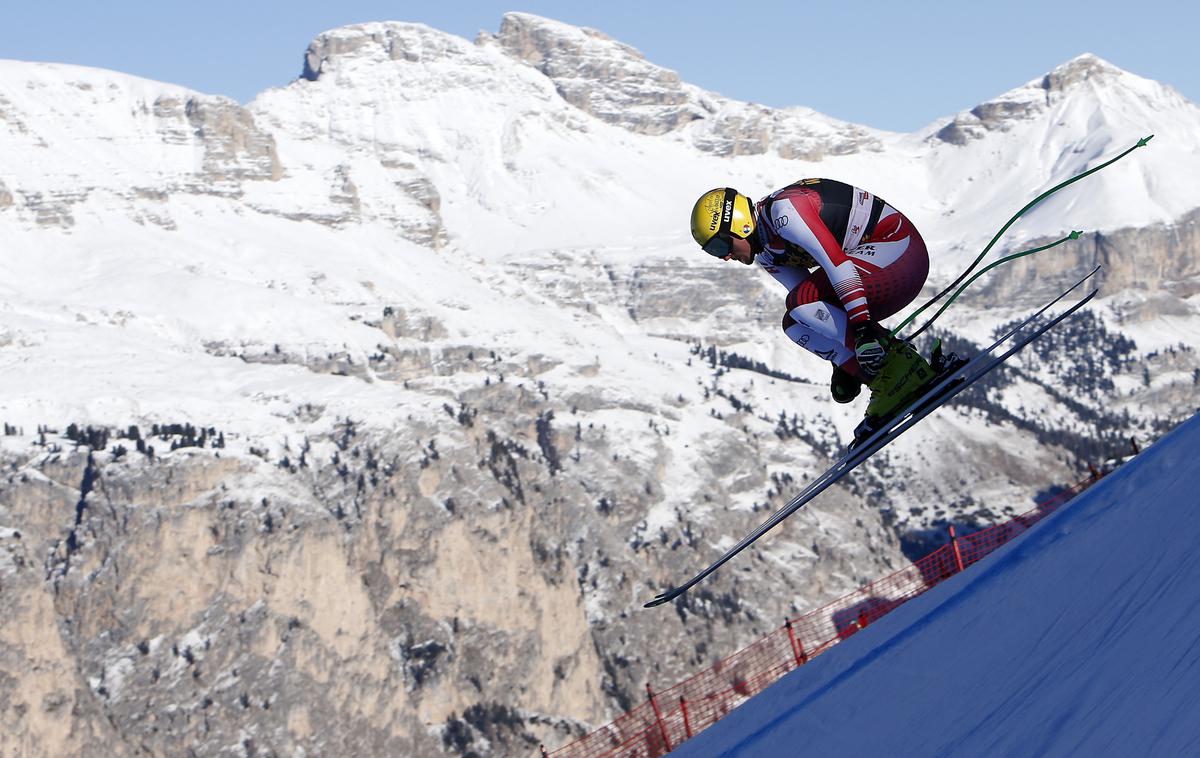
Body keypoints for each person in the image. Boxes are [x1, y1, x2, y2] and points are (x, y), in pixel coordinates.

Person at [689, 179, 952, 437]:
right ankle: (885, 379)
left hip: (901, 253)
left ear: (739, 224)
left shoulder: (784, 211)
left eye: (719, 245)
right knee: (793, 323)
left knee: (799, 303)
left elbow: (835, 264)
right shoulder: (767, 254)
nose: (724, 257)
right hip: (879, 272)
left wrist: (862, 328)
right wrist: (846, 362)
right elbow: (817, 310)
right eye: (713, 252)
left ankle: (899, 366)